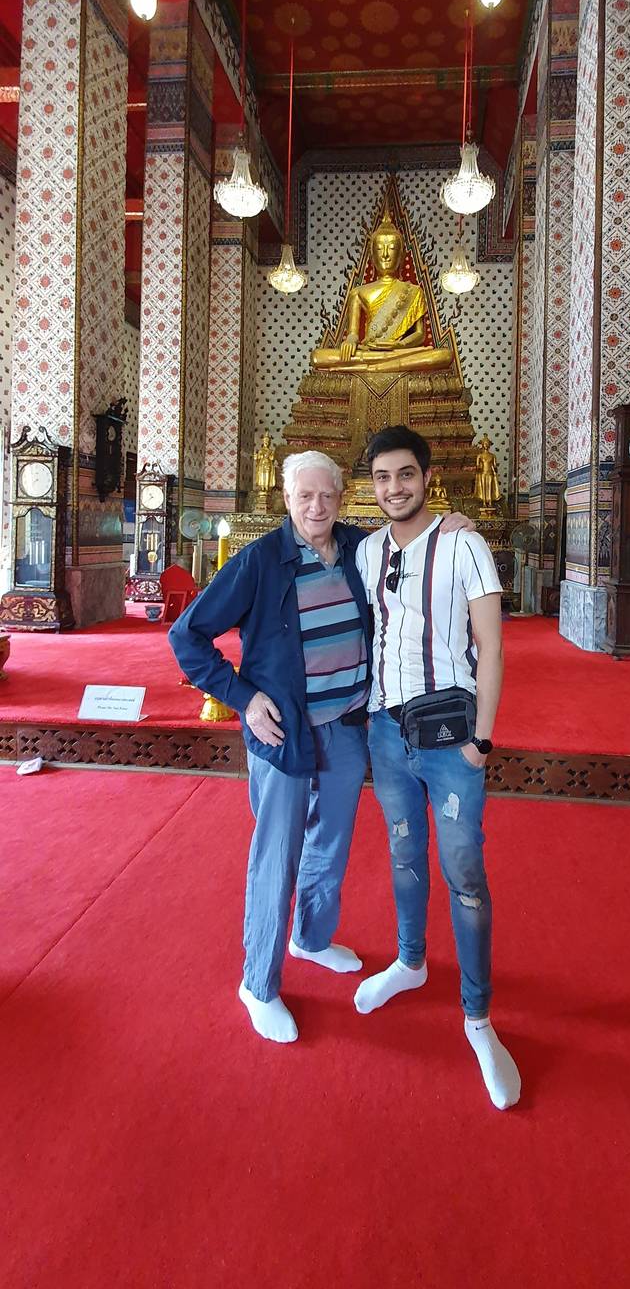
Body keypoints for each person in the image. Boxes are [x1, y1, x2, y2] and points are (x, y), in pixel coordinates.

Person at [169, 448, 471, 1046]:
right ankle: (257, 983)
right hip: (282, 733)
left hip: (347, 727)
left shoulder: (362, 549)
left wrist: (454, 524)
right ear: (286, 499)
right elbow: (189, 635)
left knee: (329, 847)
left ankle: (309, 937)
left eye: (326, 495)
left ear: (341, 497)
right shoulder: (259, 561)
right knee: (275, 854)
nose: (316, 506)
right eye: (304, 496)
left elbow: (419, 545)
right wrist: (243, 698)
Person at [353, 425, 521, 1109]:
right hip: (386, 732)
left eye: (405, 475)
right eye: (382, 478)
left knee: (465, 872)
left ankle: (478, 1017)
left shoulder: (464, 544)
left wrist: (482, 741)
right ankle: (411, 960)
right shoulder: (364, 551)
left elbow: (492, 645)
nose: (394, 488)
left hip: (453, 741)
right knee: (403, 857)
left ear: (427, 477)